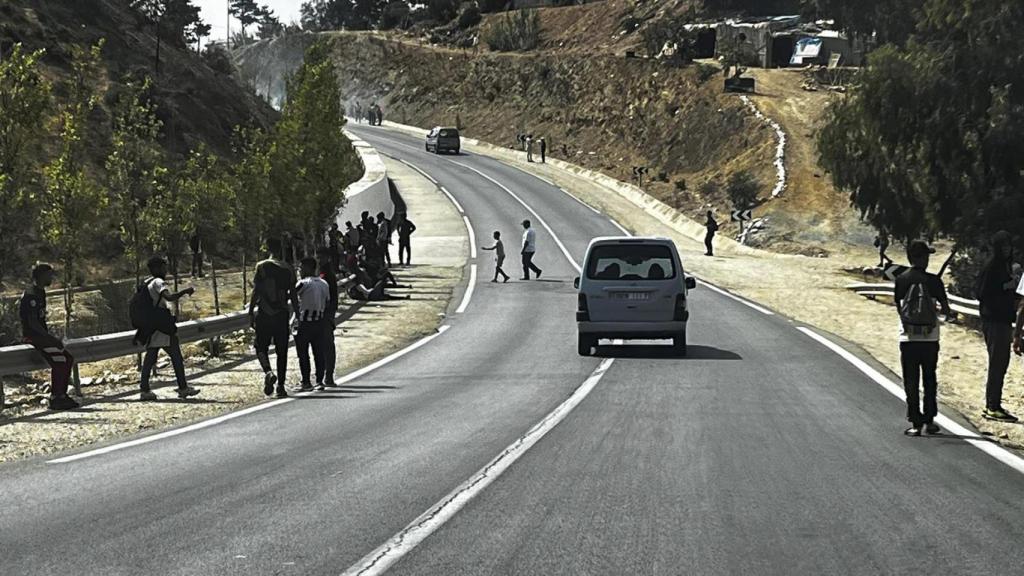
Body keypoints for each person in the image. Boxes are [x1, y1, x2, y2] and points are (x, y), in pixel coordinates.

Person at [894, 240, 950, 436]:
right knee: (929, 378)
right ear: (922, 258)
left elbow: (899, 308)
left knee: (911, 380)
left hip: (908, 338)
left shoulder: (901, 279)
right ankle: (930, 420)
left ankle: (915, 422)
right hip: (930, 338)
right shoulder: (934, 281)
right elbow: (946, 310)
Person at [139, 256, 201, 401]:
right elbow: (169, 297)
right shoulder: (158, 282)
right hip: (162, 326)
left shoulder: (147, 282)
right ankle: (183, 388)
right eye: (163, 267)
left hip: (152, 325)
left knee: (151, 357)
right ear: (156, 268)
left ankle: (145, 389)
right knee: (176, 357)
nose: (165, 270)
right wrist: (185, 291)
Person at [20, 263, 78, 410]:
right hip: (34, 336)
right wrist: (50, 338)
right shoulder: (31, 294)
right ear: (40, 276)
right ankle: (56, 397)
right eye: (49, 274)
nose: (51, 277)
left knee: (67, 359)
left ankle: (62, 395)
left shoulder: (41, 293)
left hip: (42, 335)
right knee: (61, 360)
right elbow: (32, 323)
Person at [975, 230, 1018, 422]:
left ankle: (994, 403)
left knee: (1001, 363)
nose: (1007, 250)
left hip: (1003, 320)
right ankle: (992, 405)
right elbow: (981, 293)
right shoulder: (992, 267)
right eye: (1004, 247)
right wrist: (1005, 287)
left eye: (1009, 246)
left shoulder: (1005, 267)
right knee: (997, 363)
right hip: (994, 320)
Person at [248, 239, 296, 398]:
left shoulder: (262, 266)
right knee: (282, 350)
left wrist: (250, 311)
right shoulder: (288, 268)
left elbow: (257, 290)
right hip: (282, 313)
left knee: (260, 346)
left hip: (265, 313)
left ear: (267, 249)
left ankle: (268, 371)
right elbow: (293, 294)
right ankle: (281, 386)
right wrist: (297, 313)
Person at [294, 257, 330, 392]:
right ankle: (320, 380)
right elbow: (327, 302)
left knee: (303, 353)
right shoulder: (324, 284)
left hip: (305, 323)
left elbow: (291, 295)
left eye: (301, 267)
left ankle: (306, 381)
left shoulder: (303, 283)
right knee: (319, 352)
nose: (300, 270)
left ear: (308, 268)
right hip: (319, 322)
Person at [318, 252, 339, 388]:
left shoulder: (328, 275)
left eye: (322, 256)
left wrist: (330, 314)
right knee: (319, 346)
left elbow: (333, 298)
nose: (320, 259)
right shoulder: (316, 273)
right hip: (317, 313)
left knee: (327, 345)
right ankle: (321, 376)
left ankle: (329, 375)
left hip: (325, 314)